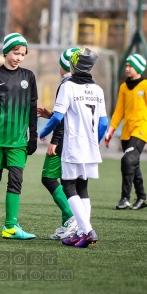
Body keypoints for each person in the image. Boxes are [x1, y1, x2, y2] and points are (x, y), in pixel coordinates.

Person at [39, 47, 107, 248]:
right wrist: (96, 140)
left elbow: (59, 117)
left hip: (73, 146)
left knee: (68, 186)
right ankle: (81, 232)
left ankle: (87, 231)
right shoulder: (98, 89)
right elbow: (103, 123)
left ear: (73, 66)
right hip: (91, 147)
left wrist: (44, 134)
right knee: (82, 187)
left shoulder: (68, 87)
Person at [0, 33, 38, 240]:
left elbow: (32, 108)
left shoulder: (28, 76)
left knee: (16, 180)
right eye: (15, 53)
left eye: (22, 54)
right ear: (5, 52)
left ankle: (10, 227)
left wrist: (33, 136)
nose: (19, 57)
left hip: (18, 140)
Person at [104, 53, 147, 210]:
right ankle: (142, 198)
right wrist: (111, 129)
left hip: (141, 130)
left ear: (138, 68)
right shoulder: (123, 87)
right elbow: (119, 110)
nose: (127, 69)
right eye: (126, 66)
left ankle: (124, 198)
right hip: (126, 132)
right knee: (133, 165)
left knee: (127, 160)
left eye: (130, 66)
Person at [37, 47, 79, 240]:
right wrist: (49, 115)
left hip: (64, 141)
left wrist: (54, 140)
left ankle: (71, 218)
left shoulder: (66, 84)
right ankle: (67, 225)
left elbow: (63, 119)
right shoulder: (83, 83)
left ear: (64, 66)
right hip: (76, 141)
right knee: (67, 182)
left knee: (48, 178)